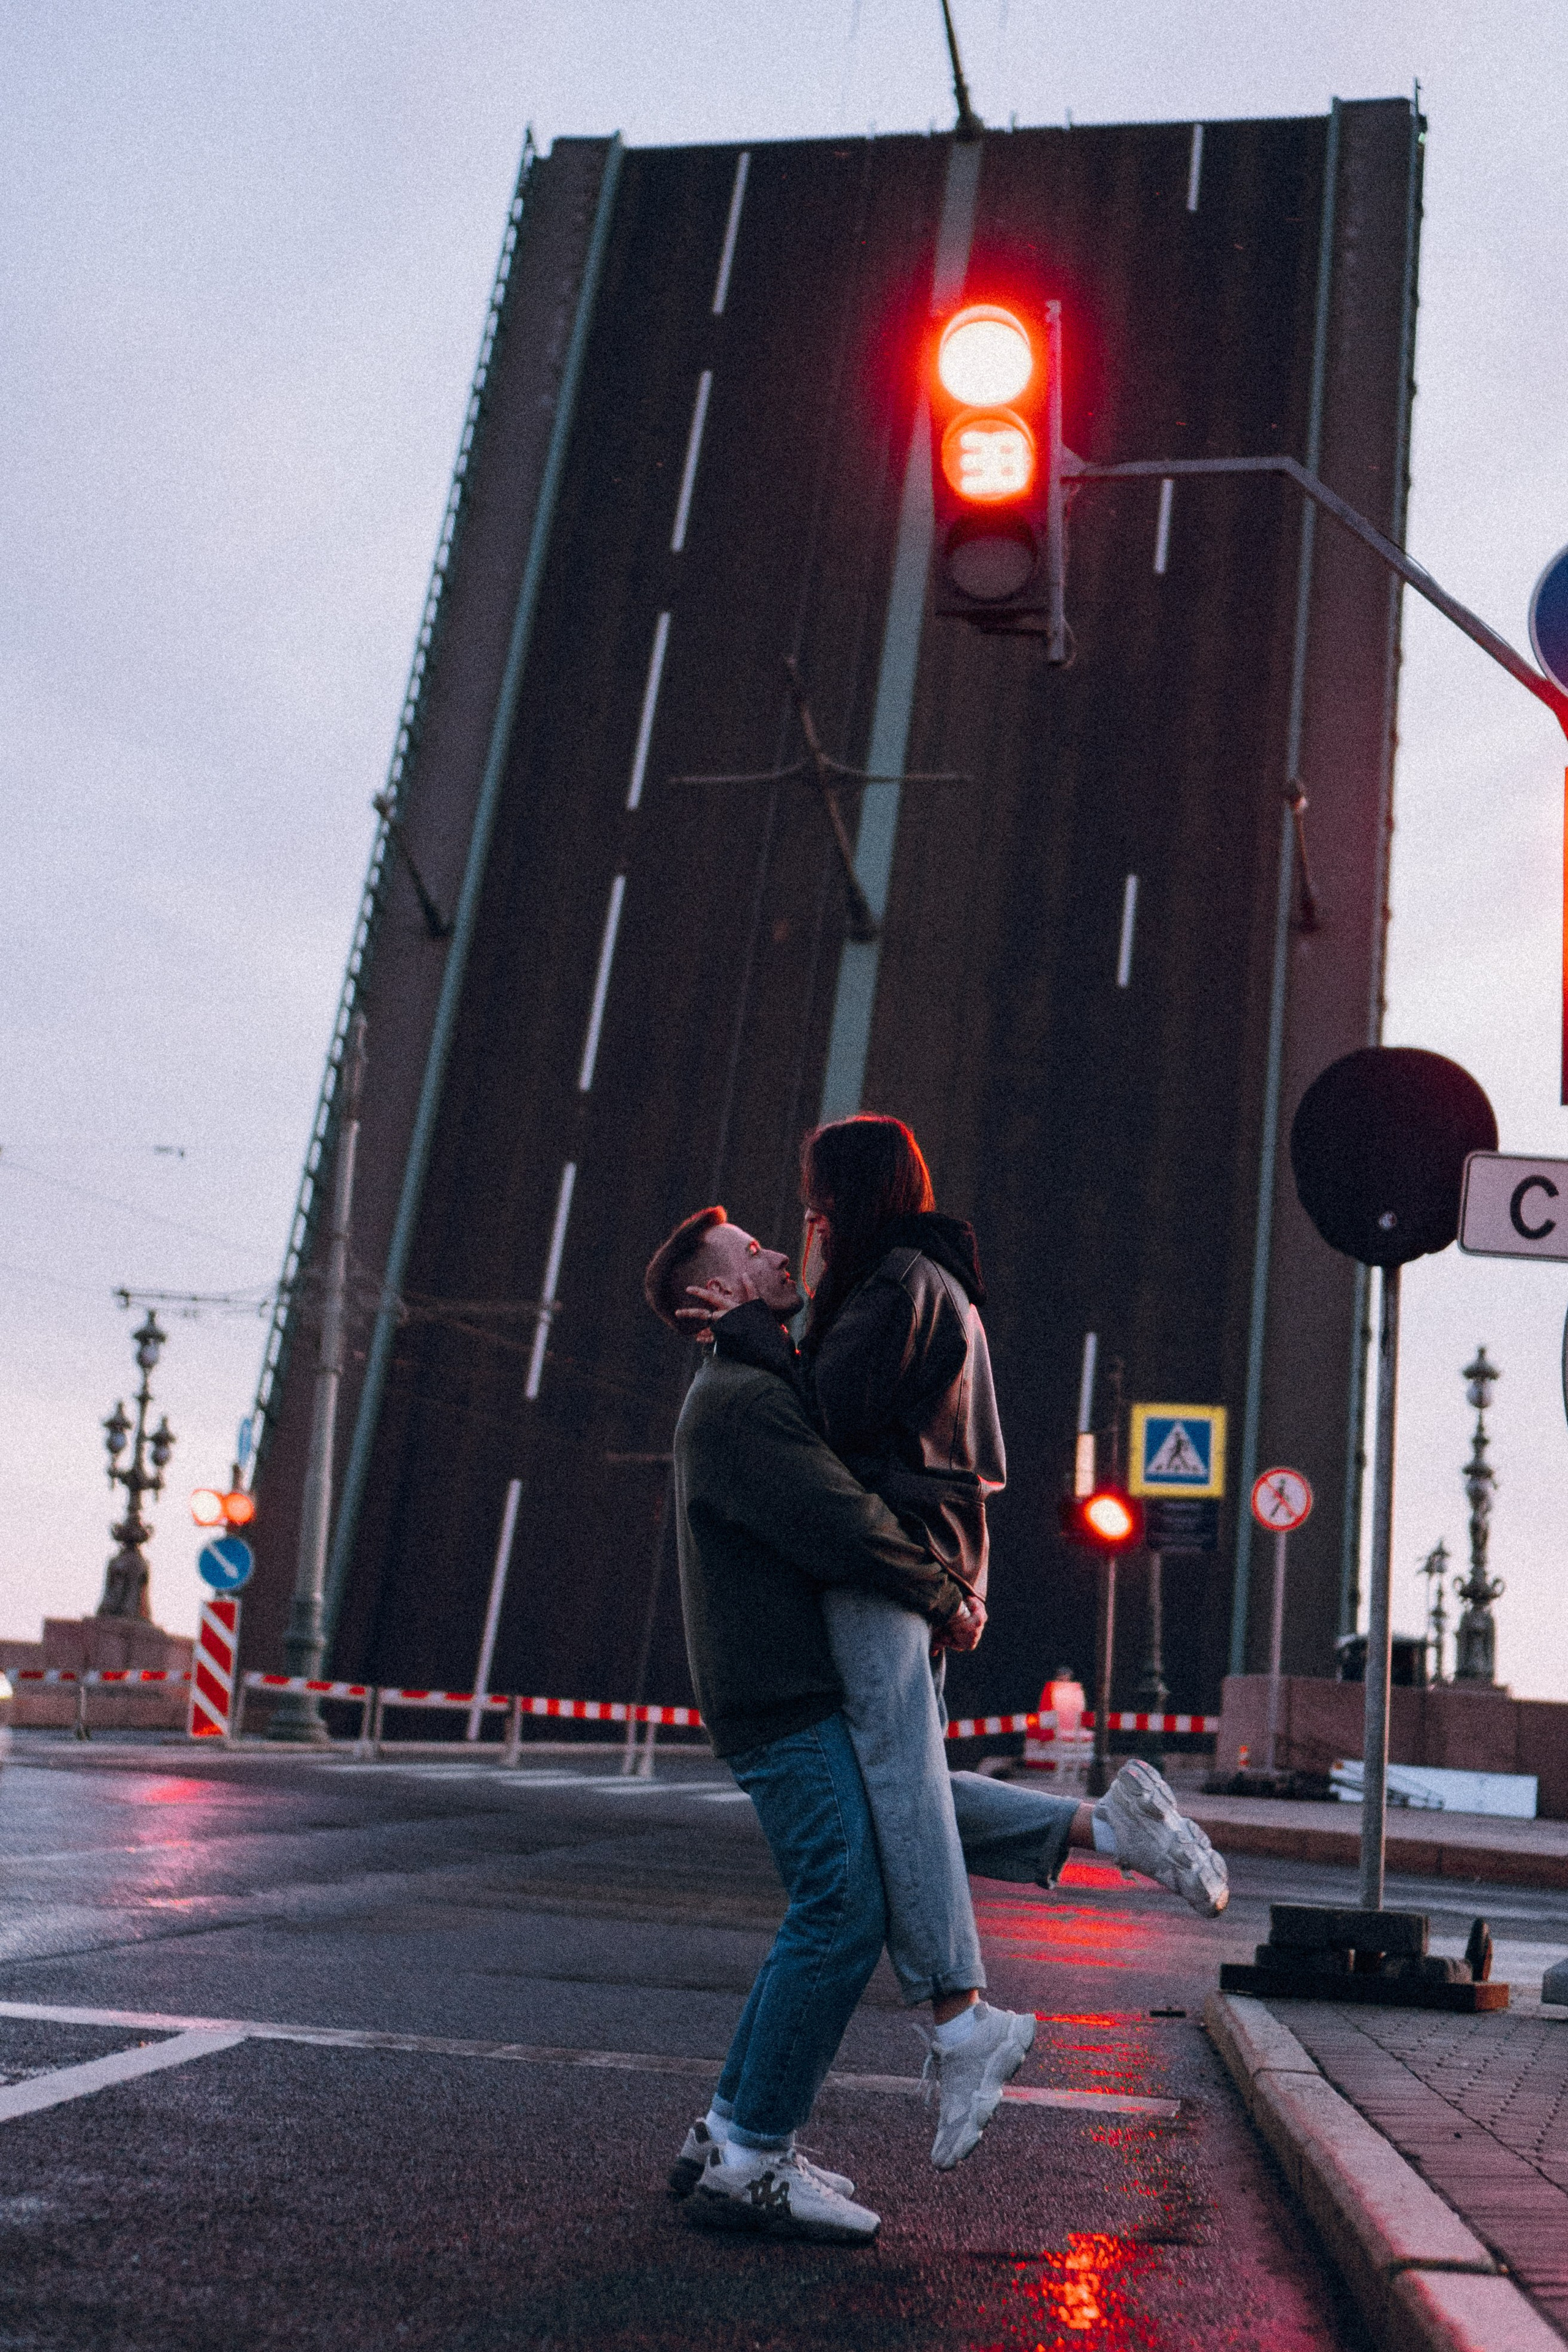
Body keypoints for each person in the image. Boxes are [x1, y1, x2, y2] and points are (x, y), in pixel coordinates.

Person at [680, 1117, 1229, 2148]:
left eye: (816, 1205)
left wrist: (752, 1335)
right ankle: (1111, 1830)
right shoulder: (923, 1279)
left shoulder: (893, 1290)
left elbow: (816, 1430)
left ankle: (960, 2016)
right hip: (928, 1550)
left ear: (852, 1199)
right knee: (911, 1783)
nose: (805, 1228)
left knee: (896, 1788)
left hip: (894, 1557)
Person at [643, 1205, 970, 2245]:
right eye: (751, 1254)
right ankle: (753, 2160)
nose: (781, 1253)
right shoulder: (743, 1400)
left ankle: (729, 2130)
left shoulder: (745, 1381)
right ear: (712, 1294)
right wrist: (945, 1592)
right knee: (841, 1910)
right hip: (780, 1697)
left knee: (829, 1905)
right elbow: (845, 1519)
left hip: (771, 1691)